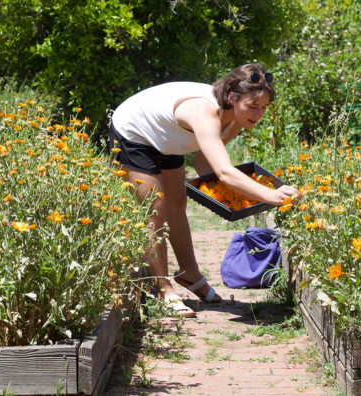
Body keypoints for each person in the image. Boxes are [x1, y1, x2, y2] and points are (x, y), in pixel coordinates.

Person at [109, 64, 301, 317]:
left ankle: (189, 274)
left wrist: (234, 195)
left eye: (264, 107)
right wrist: (270, 194)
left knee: (177, 205)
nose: (259, 113)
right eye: (253, 106)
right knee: (154, 210)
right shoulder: (205, 112)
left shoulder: (235, 119)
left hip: (169, 139)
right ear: (232, 97)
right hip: (135, 132)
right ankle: (164, 288)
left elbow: (202, 162)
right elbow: (224, 171)